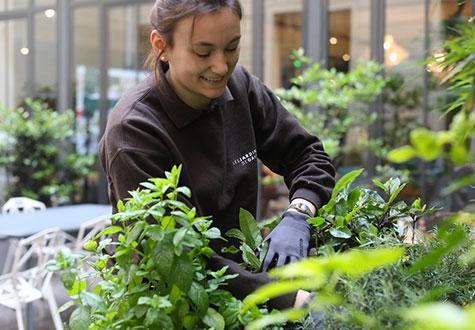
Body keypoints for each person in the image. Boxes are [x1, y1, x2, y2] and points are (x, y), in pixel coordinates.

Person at [99, 0, 335, 310]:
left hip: (242, 288)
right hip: (167, 306)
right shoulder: (135, 131)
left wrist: (298, 214)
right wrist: (290, 299)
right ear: (162, 46)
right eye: (203, 52)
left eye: (232, 47)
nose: (221, 67)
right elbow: (176, 258)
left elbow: (306, 154)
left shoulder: (241, 88)